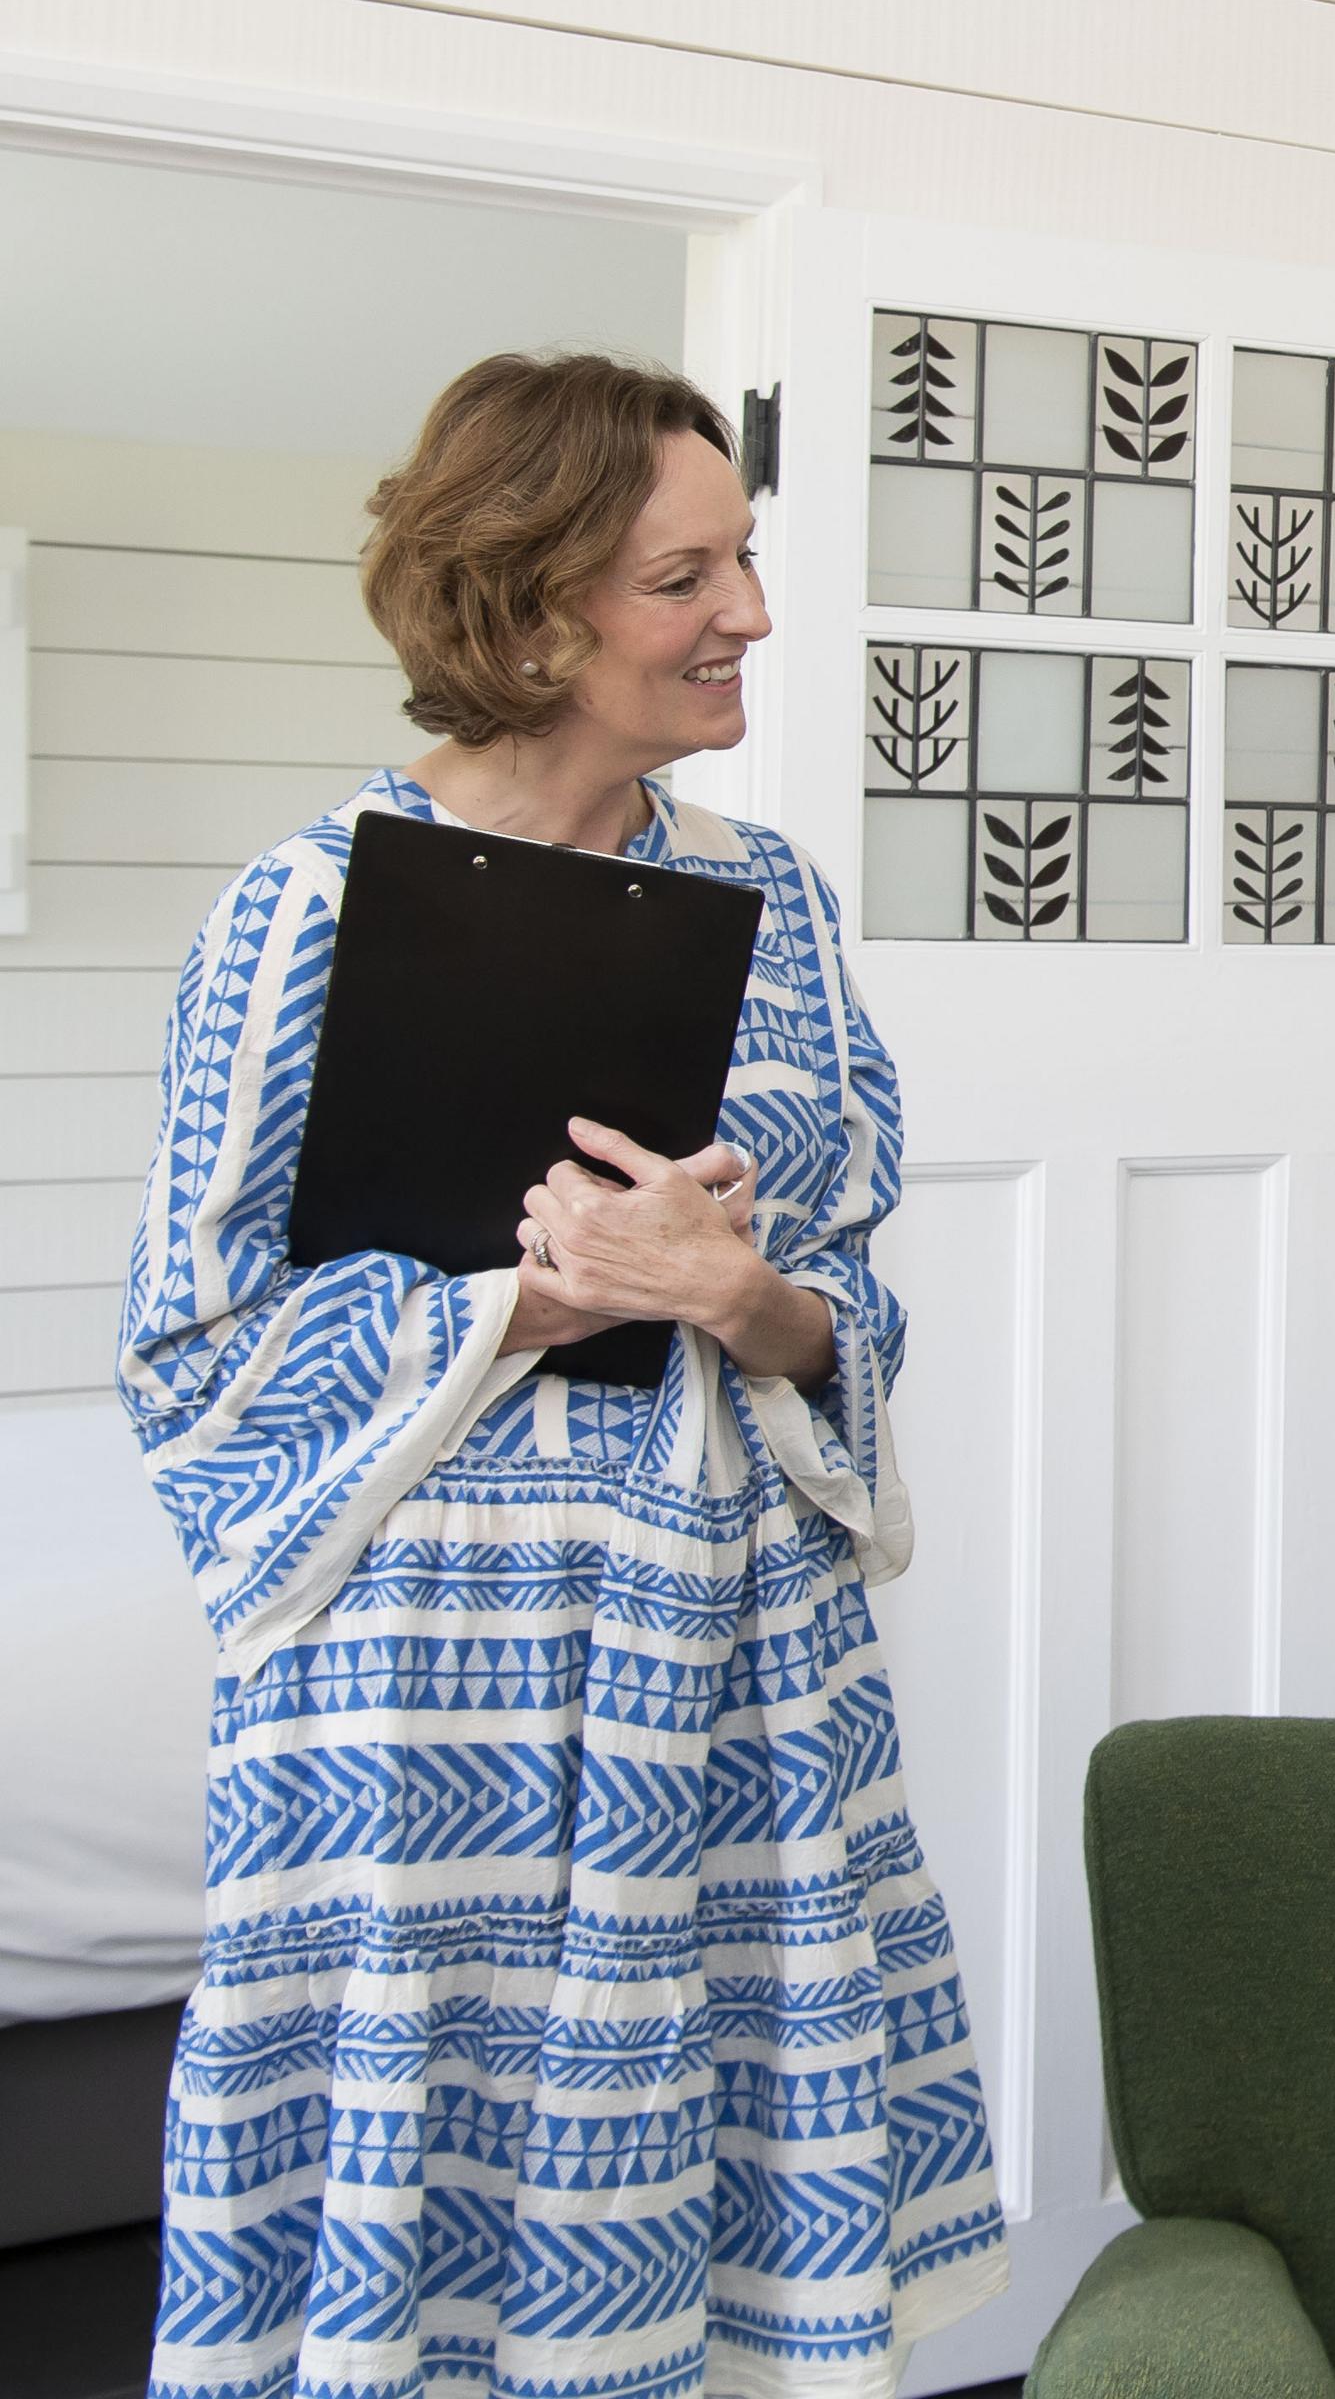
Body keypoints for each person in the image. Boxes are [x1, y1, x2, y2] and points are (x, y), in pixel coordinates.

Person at [120, 354, 1007, 2398]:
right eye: (681, 574)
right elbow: (190, 1352)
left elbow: (846, 1309)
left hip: (733, 1680)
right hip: (418, 1696)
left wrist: (734, 1292)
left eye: (747, 558)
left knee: (721, 2297)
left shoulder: (771, 901)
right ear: (527, 610)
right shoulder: (302, 911)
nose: (750, 616)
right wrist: (515, 1302)